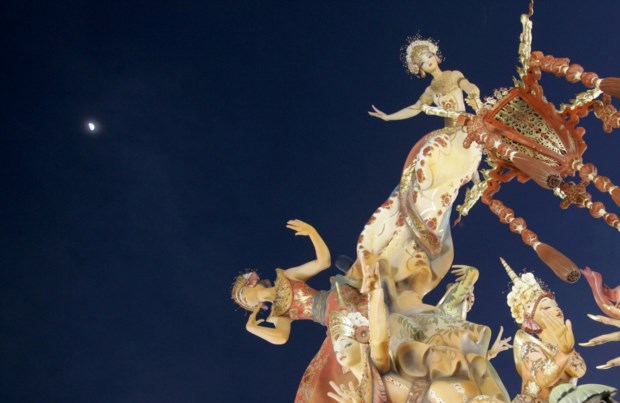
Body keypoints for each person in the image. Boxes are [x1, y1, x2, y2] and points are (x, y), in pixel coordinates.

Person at [358, 37, 483, 315]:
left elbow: (467, 86)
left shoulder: (453, 75)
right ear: (421, 69)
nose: (428, 63)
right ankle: (424, 192)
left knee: (464, 152)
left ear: (436, 56)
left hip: (464, 129)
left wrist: (473, 91)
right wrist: (389, 117)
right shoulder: (429, 90)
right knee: (425, 157)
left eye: (429, 58)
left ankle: (470, 172)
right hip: (446, 133)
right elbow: (415, 108)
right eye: (423, 63)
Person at [327, 261, 507, 403]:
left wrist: (375, 294)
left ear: (363, 342)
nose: (340, 352)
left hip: (437, 392)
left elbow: (379, 339)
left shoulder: (377, 363)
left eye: (347, 344)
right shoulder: (361, 390)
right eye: (336, 349)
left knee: (439, 391)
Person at [231, 219, 367, 402]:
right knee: (317, 377)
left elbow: (323, 262)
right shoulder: (278, 314)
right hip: (329, 320)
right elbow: (281, 337)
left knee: (349, 305)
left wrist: (312, 233)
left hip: (333, 298)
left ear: (251, 282)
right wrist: (253, 329)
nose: (243, 300)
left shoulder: (287, 277)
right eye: (241, 302)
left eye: (241, 293)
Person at [501, 258, 616, 402]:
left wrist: (567, 349)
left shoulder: (564, 343)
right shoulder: (528, 346)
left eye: (556, 305)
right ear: (531, 319)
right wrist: (564, 353)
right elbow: (544, 378)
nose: (557, 310)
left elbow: (580, 370)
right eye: (547, 307)